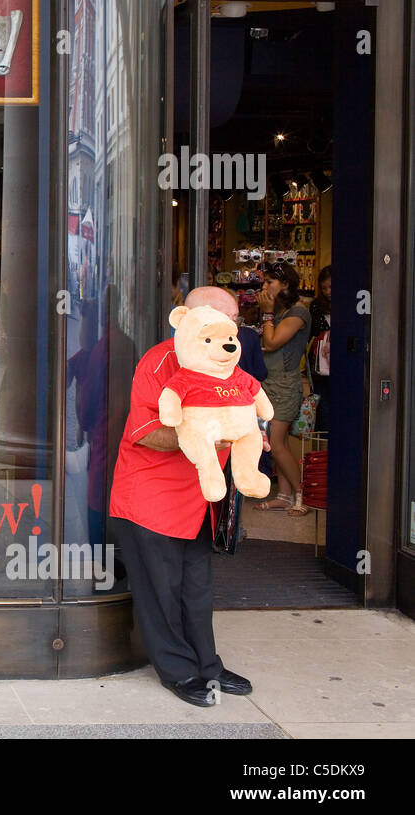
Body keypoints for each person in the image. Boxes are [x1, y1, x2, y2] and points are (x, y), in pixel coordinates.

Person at [109, 285, 254, 707]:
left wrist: (247, 435)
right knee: (161, 591)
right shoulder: (160, 360)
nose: (227, 333)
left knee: (198, 590)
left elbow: (243, 412)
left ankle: (208, 665)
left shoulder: (227, 362)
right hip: (150, 496)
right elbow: (146, 433)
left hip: (200, 498)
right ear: (186, 319)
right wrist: (206, 436)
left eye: (233, 323)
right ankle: (178, 671)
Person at [255, 262, 312, 515]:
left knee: (275, 443)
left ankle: (302, 495)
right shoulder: (285, 310)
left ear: (286, 284)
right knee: (280, 443)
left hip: (285, 386)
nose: (265, 287)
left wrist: (266, 313)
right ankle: (285, 495)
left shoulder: (298, 313)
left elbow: (272, 341)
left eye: (270, 282)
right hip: (272, 383)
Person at [308, 265, 332, 433]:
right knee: (323, 406)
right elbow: (312, 332)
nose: (328, 292)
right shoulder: (316, 306)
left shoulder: (350, 304)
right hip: (320, 365)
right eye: (324, 288)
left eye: (331, 287)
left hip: (339, 363)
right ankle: (323, 446)